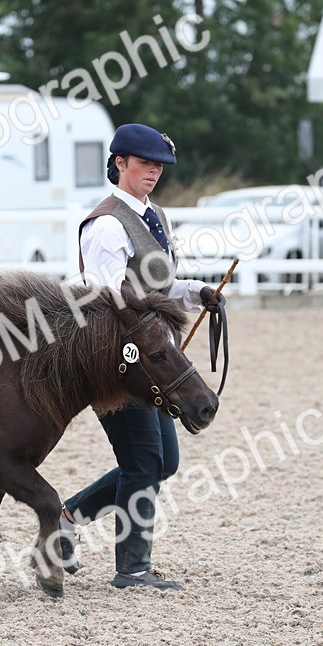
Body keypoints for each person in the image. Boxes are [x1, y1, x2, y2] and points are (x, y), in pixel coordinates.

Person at [61, 123, 223, 591]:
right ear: (120, 164)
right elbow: (107, 296)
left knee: (163, 462)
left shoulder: (156, 217)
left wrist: (196, 292)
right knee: (144, 462)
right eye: (144, 163)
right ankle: (132, 568)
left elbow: (155, 286)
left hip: (150, 358)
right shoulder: (107, 224)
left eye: (159, 166)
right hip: (118, 360)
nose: (153, 172)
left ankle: (66, 516)